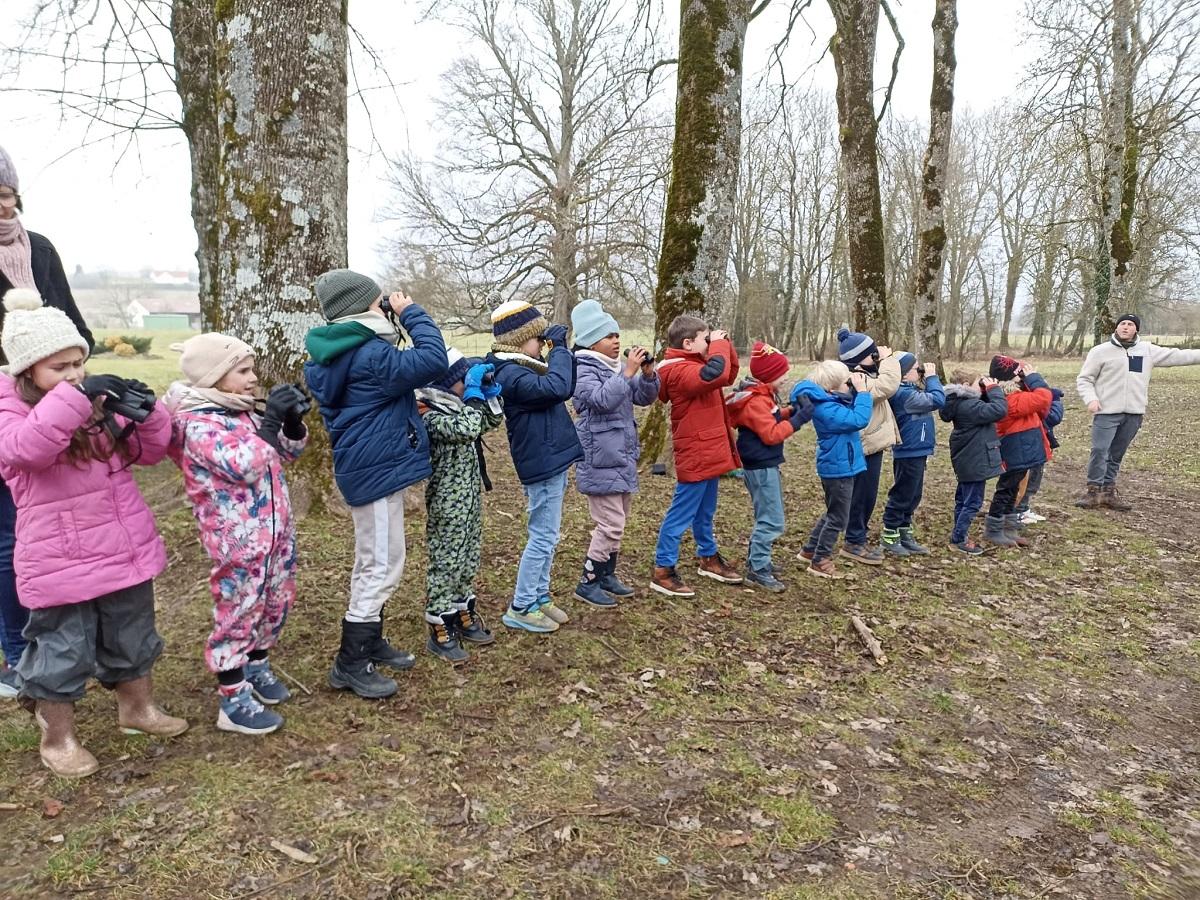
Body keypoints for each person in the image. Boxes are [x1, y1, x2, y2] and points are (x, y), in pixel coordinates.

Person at [0, 294, 186, 777]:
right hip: (59, 556)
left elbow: (147, 455)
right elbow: (25, 451)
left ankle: (137, 710)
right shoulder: (11, 410)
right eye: (59, 366)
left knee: (133, 634)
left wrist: (146, 412)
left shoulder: (91, 403)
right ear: (27, 371)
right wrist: (75, 398)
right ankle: (57, 737)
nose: (74, 374)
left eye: (79, 363)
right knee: (62, 650)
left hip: (123, 545)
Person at [304, 270, 449, 699]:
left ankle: (371, 641)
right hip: (375, 470)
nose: (383, 306)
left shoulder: (343, 352)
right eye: (376, 302)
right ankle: (350, 663)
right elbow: (433, 360)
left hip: (370, 465)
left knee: (376, 560)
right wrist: (412, 314)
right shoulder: (368, 353)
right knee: (382, 564)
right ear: (359, 307)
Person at [165, 333, 309, 735]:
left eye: (251, 369)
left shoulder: (240, 411)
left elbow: (287, 453)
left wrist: (293, 423)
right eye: (242, 371)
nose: (252, 378)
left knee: (275, 600)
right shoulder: (197, 423)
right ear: (215, 376)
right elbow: (244, 464)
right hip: (238, 540)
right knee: (239, 608)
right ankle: (231, 698)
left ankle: (257, 666)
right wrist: (270, 421)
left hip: (275, 532)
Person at [0, 145, 95, 699]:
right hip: (7, 403)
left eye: (6, 195)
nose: (2, 208)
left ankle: (70, 643)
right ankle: (16, 652)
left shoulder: (40, 249)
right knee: (9, 537)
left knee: (56, 526)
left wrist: (79, 373)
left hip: (52, 398)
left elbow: (69, 316)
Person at [486, 300, 583, 633]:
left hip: (550, 456)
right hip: (540, 461)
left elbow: (562, 383)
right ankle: (521, 605)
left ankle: (539, 596)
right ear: (517, 339)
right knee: (542, 536)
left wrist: (557, 351)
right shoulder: (510, 372)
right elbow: (558, 388)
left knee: (549, 535)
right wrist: (558, 349)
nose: (542, 343)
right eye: (537, 337)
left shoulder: (526, 365)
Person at [414, 349, 504, 663]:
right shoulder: (428, 412)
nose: (468, 384)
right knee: (447, 557)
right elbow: (466, 427)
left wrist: (489, 392)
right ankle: (439, 619)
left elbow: (489, 421)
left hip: (469, 497)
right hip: (446, 500)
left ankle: (462, 609)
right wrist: (474, 395)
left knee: (468, 554)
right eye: (464, 379)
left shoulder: (459, 404)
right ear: (449, 382)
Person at [569, 299, 659, 608]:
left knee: (620, 519)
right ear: (591, 340)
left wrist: (647, 375)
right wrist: (628, 372)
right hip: (599, 458)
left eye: (617, 334)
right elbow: (600, 400)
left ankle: (607, 574)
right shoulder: (580, 368)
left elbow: (643, 398)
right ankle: (588, 581)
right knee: (610, 523)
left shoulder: (617, 367)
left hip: (622, 456)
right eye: (609, 336)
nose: (616, 340)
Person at [650, 315, 743, 597]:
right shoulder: (677, 371)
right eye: (705, 339)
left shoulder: (695, 364)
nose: (709, 344)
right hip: (697, 451)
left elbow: (727, 373)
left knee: (705, 510)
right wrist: (717, 347)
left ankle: (708, 557)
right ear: (688, 343)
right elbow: (713, 374)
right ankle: (663, 569)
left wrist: (723, 344)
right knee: (681, 512)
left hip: (709, 449)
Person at [1075, 313, 1200, 511]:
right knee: (1100, 450)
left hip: (1133, 413)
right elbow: (1084, 379)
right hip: (1106, 412)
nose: (1125, 327)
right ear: (1116, 328)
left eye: (1130, 324)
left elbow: (1178, 355)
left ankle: (1108, 492)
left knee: (1116, 454)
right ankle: (1092, 491)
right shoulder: (1100, 351)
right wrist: (1091, 399)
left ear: (1136, 329)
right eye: (1122, 324)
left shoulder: (1147, 350)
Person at [725, 341, 813, 591]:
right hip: (761, 466)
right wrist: (798, 420)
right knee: (772, 520)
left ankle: (758, 560)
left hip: (761, 464)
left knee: (765, 515)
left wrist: (790, 411)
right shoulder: (756, 401)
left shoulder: (762, 396)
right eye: (782, 374)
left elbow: (769, 418)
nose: (785, 378)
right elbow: (771, 434)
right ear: (769, 375)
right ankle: (758, 568)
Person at [791, 361, 873, 579]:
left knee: (833, 512)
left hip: (841, 465)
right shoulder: (826, 408)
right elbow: (859, 419)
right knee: (838, 518)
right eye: (847, 383)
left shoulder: (829, 400)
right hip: (838, 469)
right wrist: (863, 393)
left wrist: (855, 388)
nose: (850, 385)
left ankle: (810, 550)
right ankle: (820, 560)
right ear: (832, 388)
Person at [835, 327, 901, 565]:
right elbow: (888, 386)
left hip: (869, 443)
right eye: (870, 353)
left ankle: (856, 537)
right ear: (857, 360)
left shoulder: (863, 375)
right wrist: (889, 359)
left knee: (867, 494)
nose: (875, 355)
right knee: (862, 495)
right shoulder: (856, 380)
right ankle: (854, 541)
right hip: (863, 446)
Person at [985, 355, 1052, 548]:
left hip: (1021, 451)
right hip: (1016, 451)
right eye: (1018, 373)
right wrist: (1034, 377)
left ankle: (1008, 527)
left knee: (1013, 490)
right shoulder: (1012, 399)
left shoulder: (1014, 396)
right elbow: (1044, 397)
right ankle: (994, 528)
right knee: (1006, 490)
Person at [881, 354, 945, 558]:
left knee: (913, 495)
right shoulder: (902, 394)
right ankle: (890, 534)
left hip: (918, 449)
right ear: (903, 372)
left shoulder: (909, 391)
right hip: (908, 451)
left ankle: (904, 532)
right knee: (903, 493)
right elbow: (937, 400)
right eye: (917, 370)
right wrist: (933, 378)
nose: (920, 373)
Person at [939, 369, 1008, 555]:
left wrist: (986, 391)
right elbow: (999, 410)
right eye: (979, 384)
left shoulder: (960, 402)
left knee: (963, 499)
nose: (982, 387)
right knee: (972, 502)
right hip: (975, 460)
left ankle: (959, 534)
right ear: (966, 386)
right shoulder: (969, 406)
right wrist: (994, 390)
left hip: (968, 459)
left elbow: (985, 407)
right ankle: (959, 538)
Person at [1014, 386, 1064, 525]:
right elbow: (1053, 417)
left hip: (1034, 445)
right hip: (1030, 447)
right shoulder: (1029, 400)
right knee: (1027, 481)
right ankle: (1018, 511)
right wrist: (1054, 400)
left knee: (1032, 479)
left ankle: (1022, 509)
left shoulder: (1027, 398)